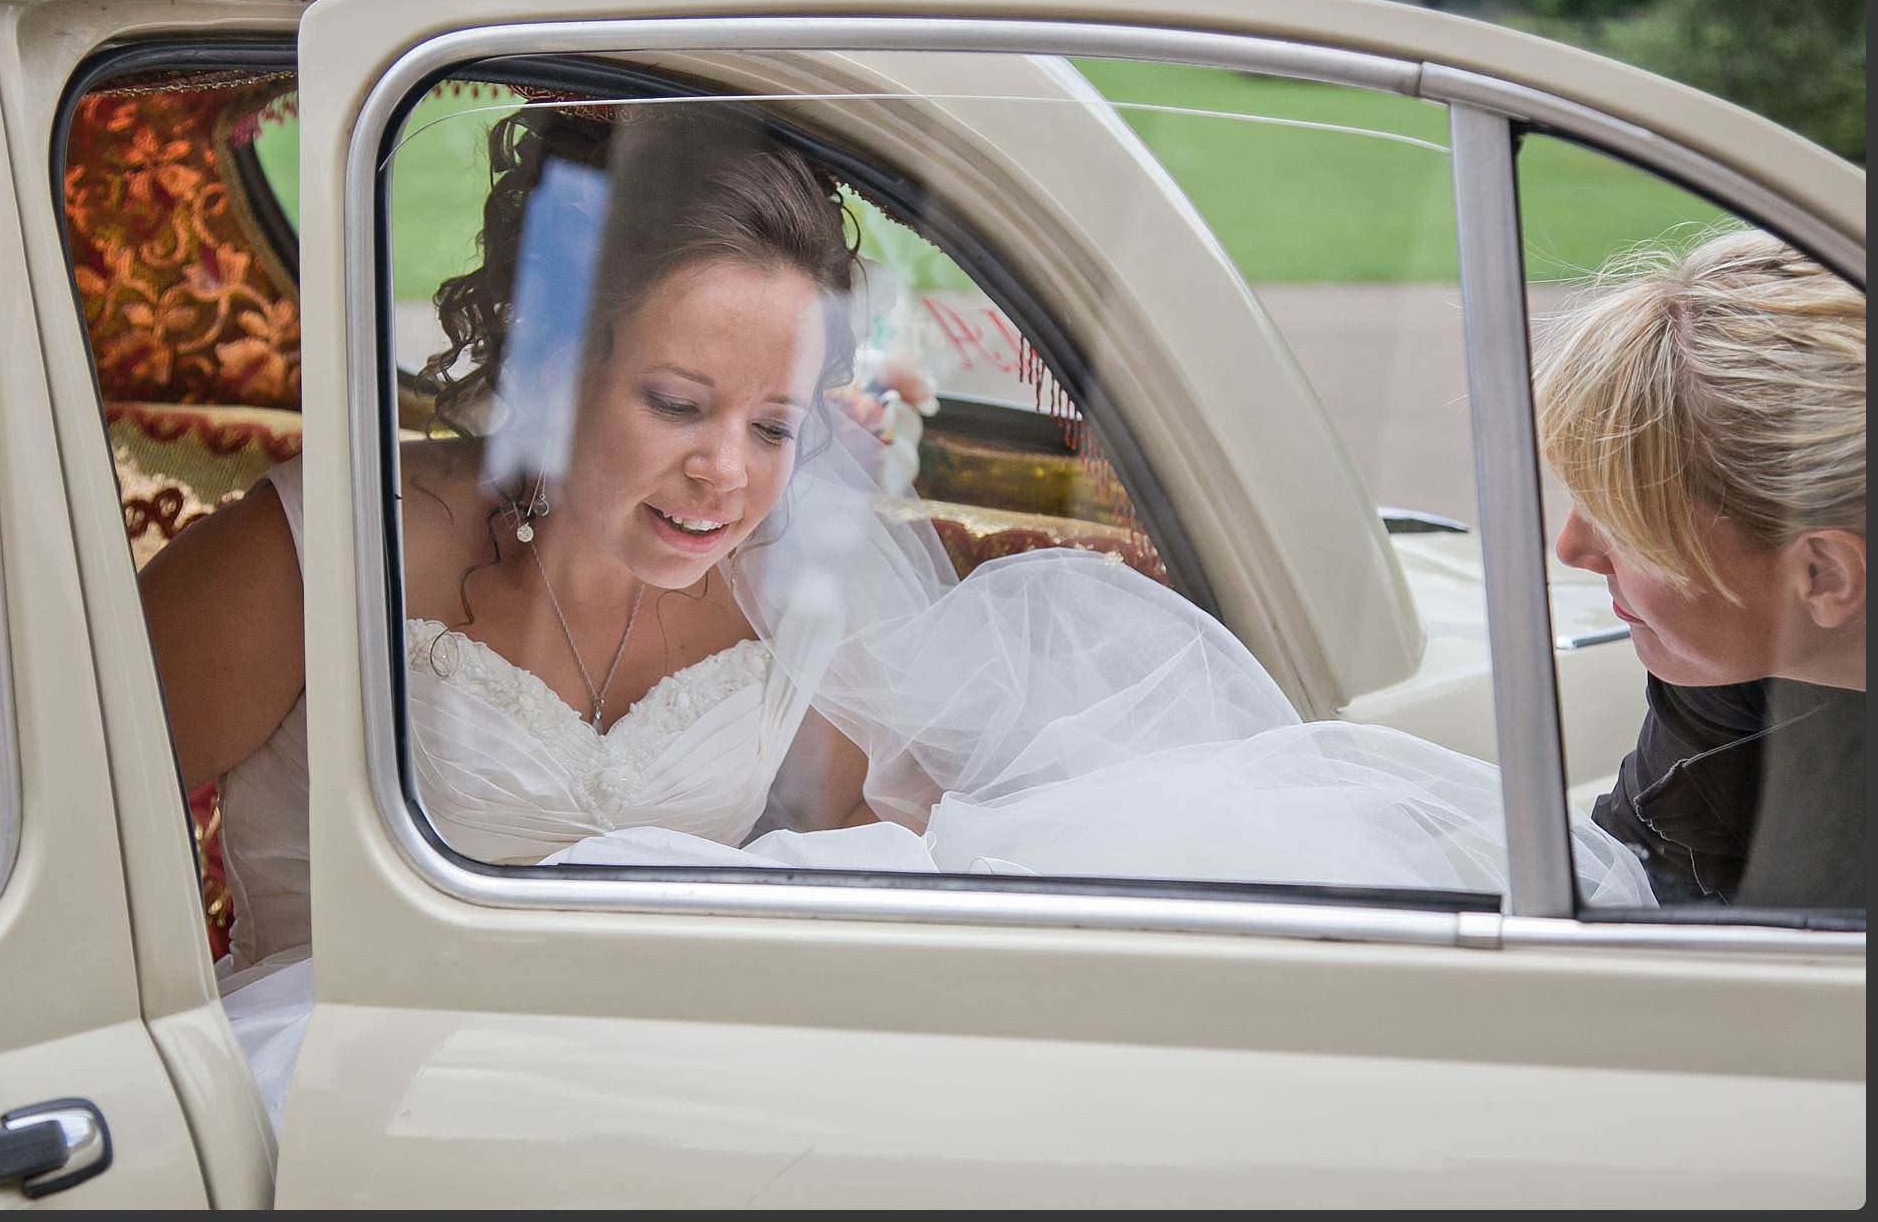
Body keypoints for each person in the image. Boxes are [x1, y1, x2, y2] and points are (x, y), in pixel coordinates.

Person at [145, 101, 1651, 1126]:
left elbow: (880, 867)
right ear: (553, 355)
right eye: (676, 402)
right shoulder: (317, 557)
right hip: (334, 1079)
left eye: (776, 425)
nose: (724, 478)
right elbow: (81, 885)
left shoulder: (806, 582)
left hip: (629, 1102)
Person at [1533, 227, 1865, 909]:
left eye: (1627, 524)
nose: (1571, 549)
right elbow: (1635, 895)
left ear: (1824, 576)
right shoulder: (1737, 675)